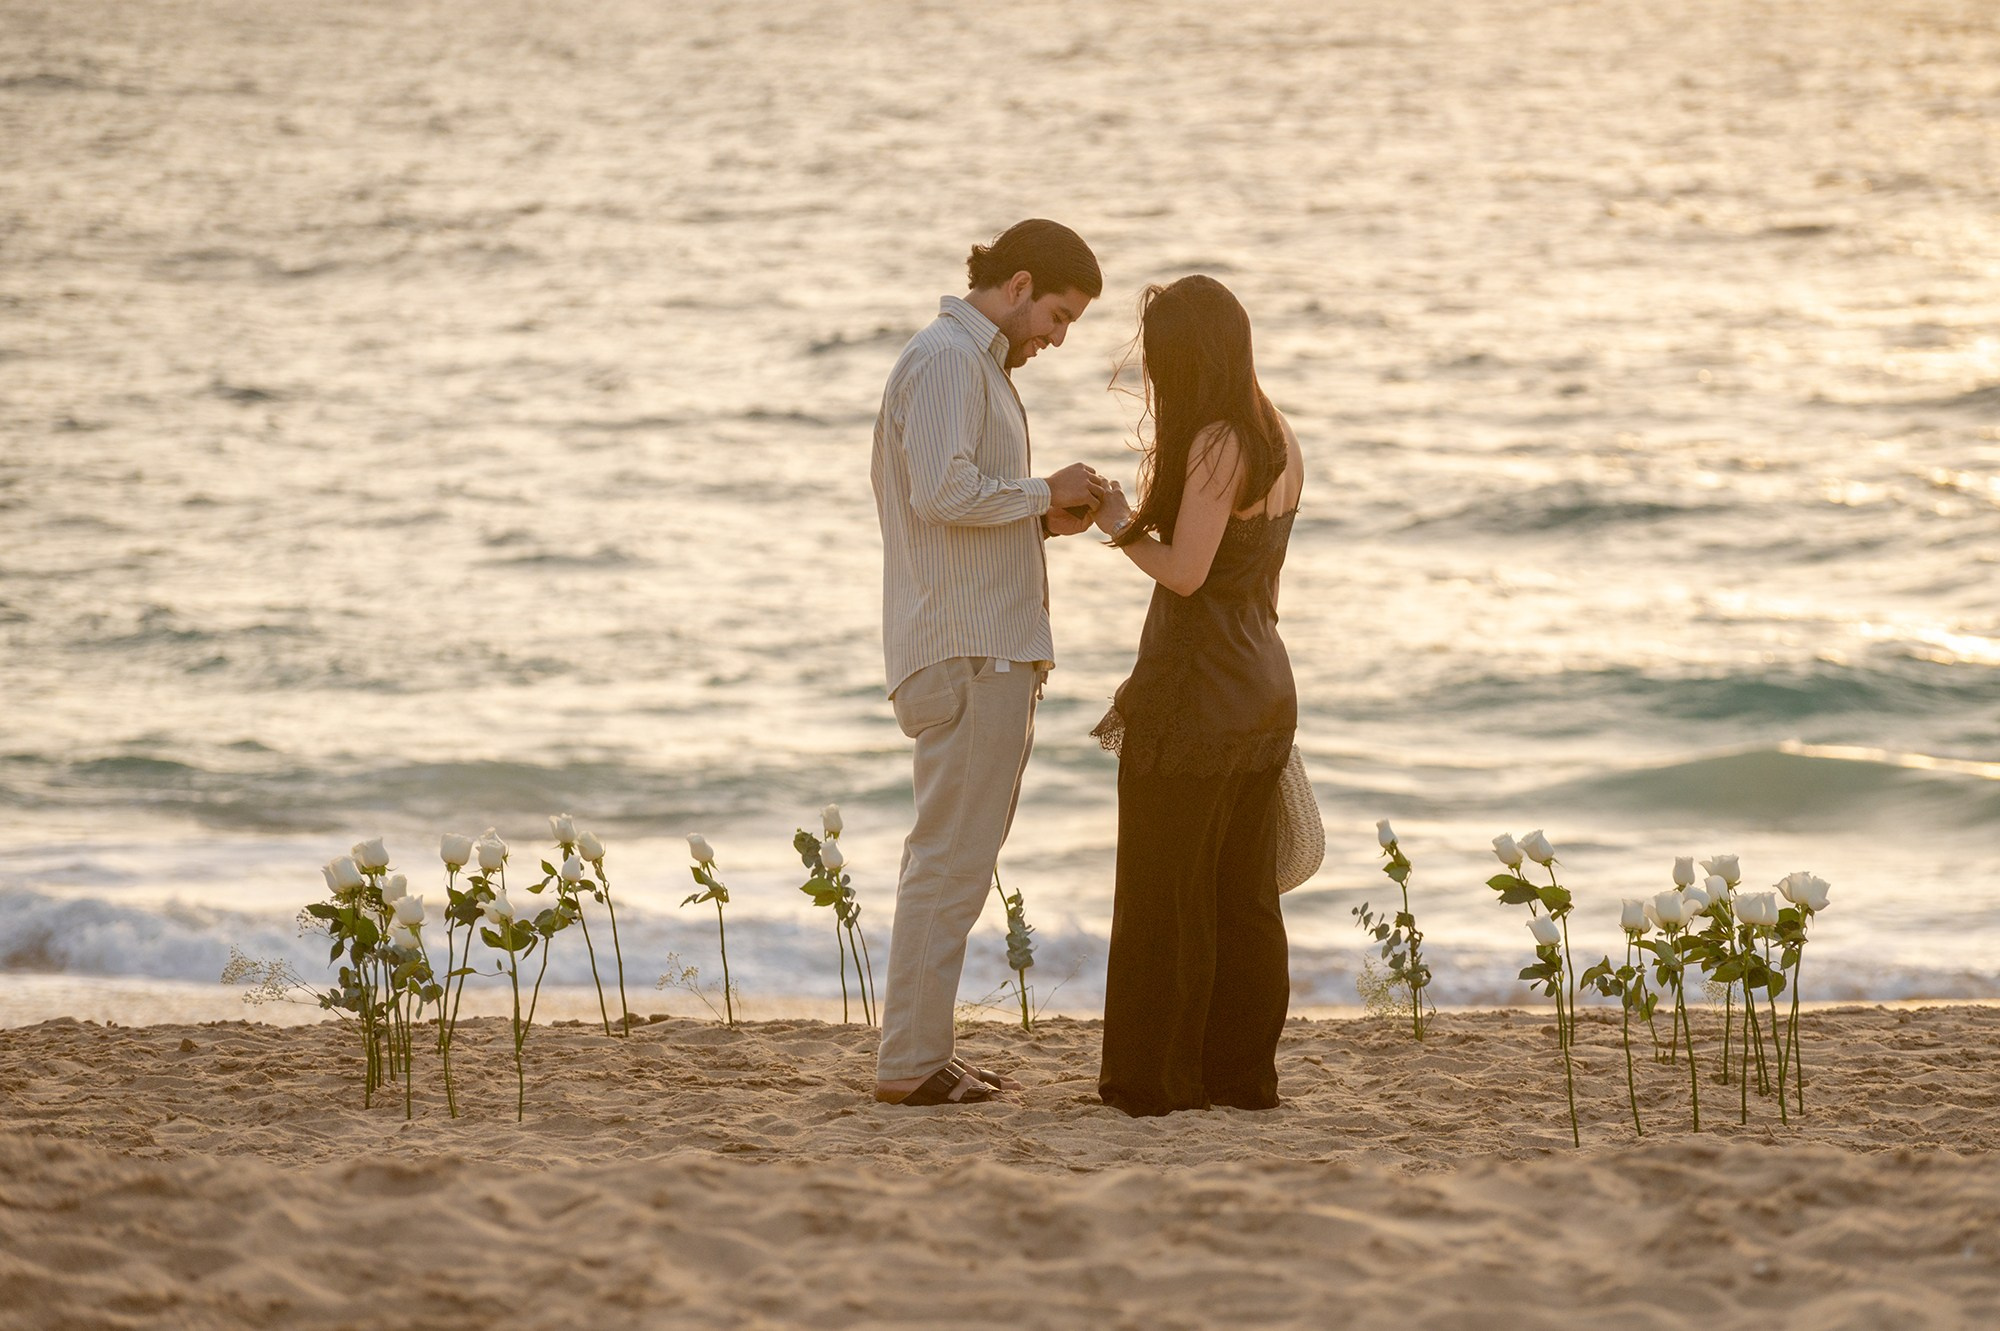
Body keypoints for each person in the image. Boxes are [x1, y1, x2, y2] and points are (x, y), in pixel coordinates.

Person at [870, 219, 1107, 1106]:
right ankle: (909, 1063)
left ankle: (922, 1050)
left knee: (957, 858)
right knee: (949, 860)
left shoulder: (972, 367)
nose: (1057, 335)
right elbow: (940, 491)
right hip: (966, 650)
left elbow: (959, 503)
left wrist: (1045, 519)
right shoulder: (945, 361)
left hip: (980, 642)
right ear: (1016, 285)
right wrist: (1046, 491)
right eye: (1056, 313)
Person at [1088, 275, 1302, 1117]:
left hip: (1195, 698)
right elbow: (1260, 576)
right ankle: (1240, 1078)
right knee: (1241, 898)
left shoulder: (1216, 441)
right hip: (1262, 686)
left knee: (1163, 895)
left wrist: (1115, 518)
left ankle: (1155, 1083)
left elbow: (1185, 573)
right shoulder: (1275, 428)